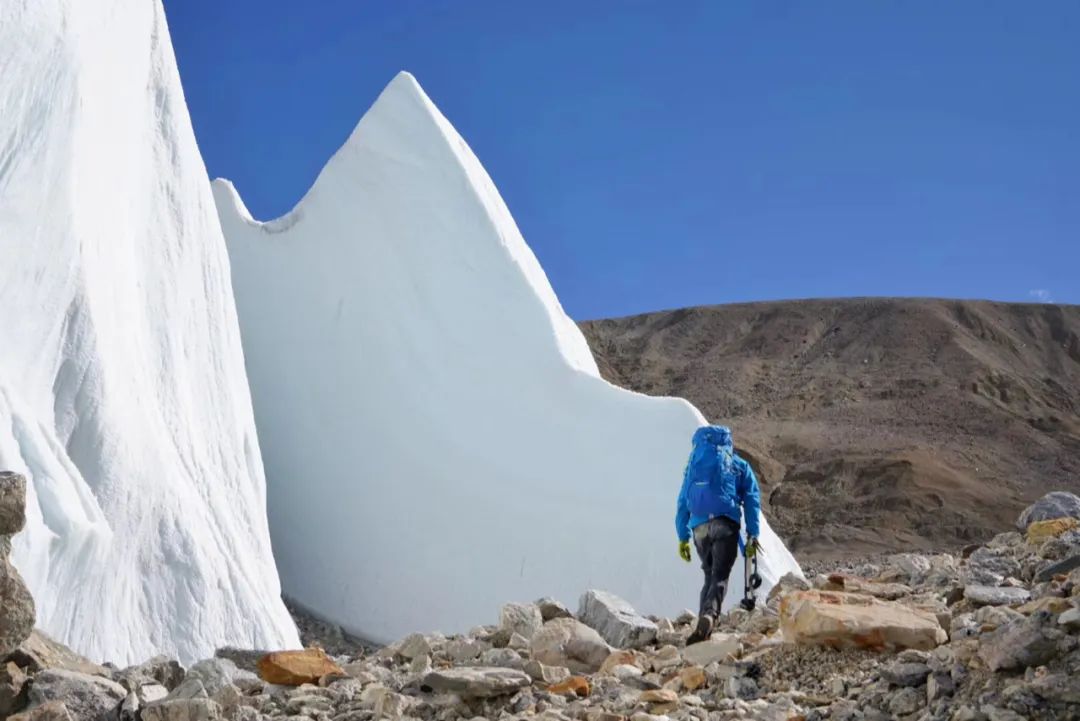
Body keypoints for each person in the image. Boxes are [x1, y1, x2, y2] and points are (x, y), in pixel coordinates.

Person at [675, 425, 761, 644]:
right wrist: (753, 534)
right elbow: (752, 499)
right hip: (725, 525)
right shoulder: (737, 464)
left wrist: (683, 537)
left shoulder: (693, 466)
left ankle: (702, 628)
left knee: (708, 575)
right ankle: (709, 616)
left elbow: (683, 501)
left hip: (699, 528)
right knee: (719, 576)